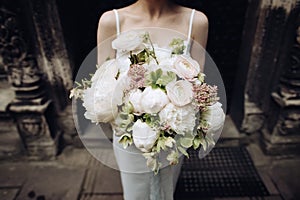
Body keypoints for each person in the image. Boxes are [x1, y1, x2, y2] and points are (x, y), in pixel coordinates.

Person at [96, 0, 209, 199]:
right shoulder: (111, 21)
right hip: (129, 134)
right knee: (135, 191)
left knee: (166, 186)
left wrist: (173, 114)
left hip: (172, 130)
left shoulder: (196, 21)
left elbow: (197, 84)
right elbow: (103, 87)